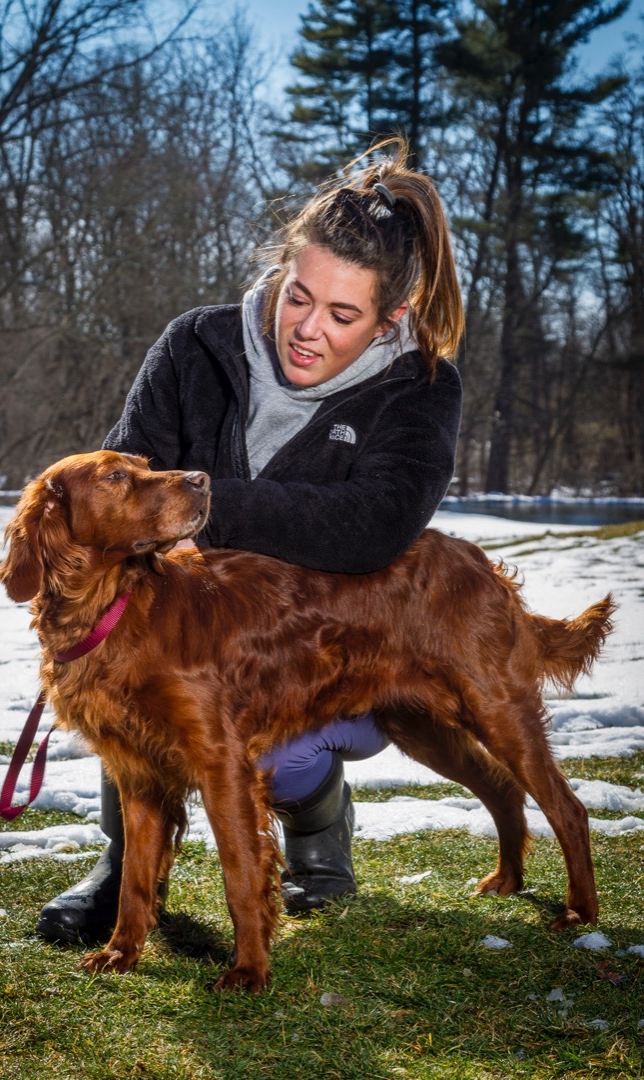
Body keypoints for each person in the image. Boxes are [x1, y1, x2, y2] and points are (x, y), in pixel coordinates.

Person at [36, 137, 464, 944]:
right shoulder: (195, 345)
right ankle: (124, 858)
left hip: (336, 647)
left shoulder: (421, 388)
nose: (306, 329)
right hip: (185, 635)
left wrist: (204, 504)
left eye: (342, 315)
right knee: (133, 660)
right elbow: (127, 496)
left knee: (266, 729)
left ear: (389, 318)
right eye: (298, 296)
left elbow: (375, 525)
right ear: (282, 270)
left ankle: (318, 820)